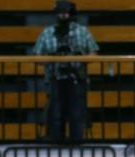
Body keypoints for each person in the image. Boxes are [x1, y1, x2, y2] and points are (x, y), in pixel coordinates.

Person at [33, 0, 98, 143]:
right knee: (55, 114)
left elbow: (94, 54)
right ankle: (56, 143)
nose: (63, 16)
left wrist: (78, 58)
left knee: (77, 114)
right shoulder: (48, 32)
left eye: (65, 12)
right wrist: (54, 59)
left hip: (76, 78)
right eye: (60, 12)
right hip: (55, 78)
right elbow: (36, 57)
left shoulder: (82, 31)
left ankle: (77, 143)